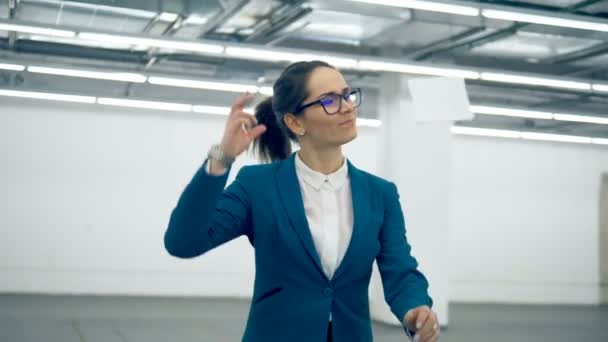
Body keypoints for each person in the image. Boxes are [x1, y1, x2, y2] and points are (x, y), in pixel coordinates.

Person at [164, 60, 440, 342]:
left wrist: (414, 308)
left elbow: (400, 270)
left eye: (347, 95)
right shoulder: (257, 185)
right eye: (329, 101)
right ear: (295, 122)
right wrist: (221, 158)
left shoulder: (380, 194)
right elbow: (182, 242)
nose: (346, 106)